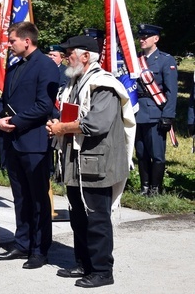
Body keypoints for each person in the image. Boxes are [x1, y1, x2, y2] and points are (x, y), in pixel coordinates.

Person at [46, 35, 135, 288]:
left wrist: (62, 128)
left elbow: (96, 123)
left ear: (86, 56)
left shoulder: (103, 84)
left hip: (97, 163)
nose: (65, 56)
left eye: (70, 52)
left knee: (96, 218)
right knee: (78, 218)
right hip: (77, 163)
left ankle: (102, 271)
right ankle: (84, 263)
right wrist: (58, 125)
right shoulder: (75, 82)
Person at [0, 21, 59, 269]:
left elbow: (45, 105)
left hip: (34, 141)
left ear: (27, 41)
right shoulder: (15, 66)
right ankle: (22, 243)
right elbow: (4, 99)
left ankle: (39, 249)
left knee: (38, 198)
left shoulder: (46, 66)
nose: (9, 45)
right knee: (20, 197)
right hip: (12, 139)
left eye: (12, 41)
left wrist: (16, 121)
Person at [134, 24, 177, 196]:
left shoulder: (166, 60)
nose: (142, 40)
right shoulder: (136, 60)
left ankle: (155, 188)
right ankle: (144, 187)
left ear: (156, 39)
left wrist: (168, 115)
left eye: (146, 36)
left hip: (155, 112)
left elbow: (172, 91)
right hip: (138, 112)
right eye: (141, 37)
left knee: (157, 154)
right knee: (141, 152)